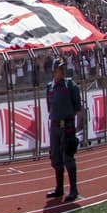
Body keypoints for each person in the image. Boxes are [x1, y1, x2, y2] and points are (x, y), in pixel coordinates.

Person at [45, 58, 83, 202]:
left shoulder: (70, 84)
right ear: (54, 71)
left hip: (67, 125)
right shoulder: (49, 87)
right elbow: (50, 107)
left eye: (63, 68)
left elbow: (77, 106)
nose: (62, 71)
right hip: (54, 126)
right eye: (60, 68)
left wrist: (69, 118)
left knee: (68, 157)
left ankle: (74, 189)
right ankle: (59, 188)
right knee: (55, 157)